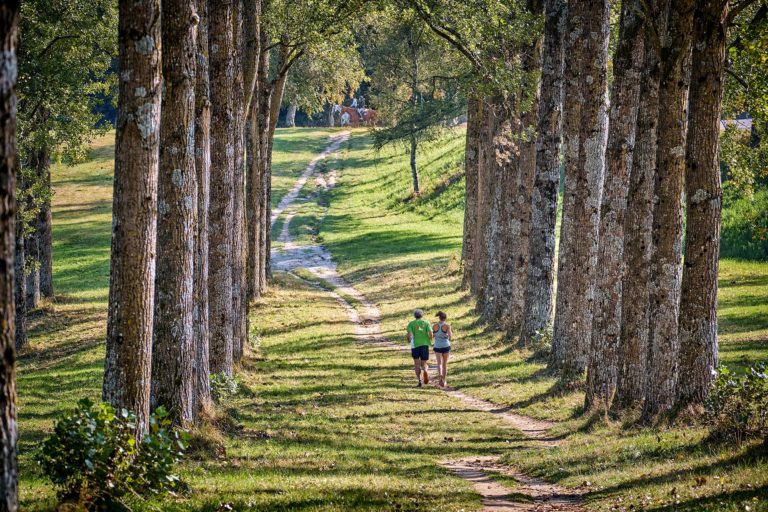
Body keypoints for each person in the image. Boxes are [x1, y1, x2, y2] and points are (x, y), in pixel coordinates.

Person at [407, 309, 433, 387]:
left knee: (416, 364)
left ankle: (419, 380)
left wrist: (409, 340)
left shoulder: (411, 324)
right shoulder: (426, 323)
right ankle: (425, 370)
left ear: (414, 316)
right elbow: (431, 333)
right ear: (422, 315)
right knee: (424, 363)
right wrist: (430, 339)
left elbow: (410, 334)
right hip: (424, 344)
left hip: (415, 345)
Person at [432, 311, 453, 388]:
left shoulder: (434, 326)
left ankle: (440, 378)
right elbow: (450, 336)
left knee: (439, 363)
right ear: (445, 318)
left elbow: (432, 335)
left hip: (437, 346)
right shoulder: (447, 326)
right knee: (445, 364)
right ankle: (444, 380)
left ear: (439, 317)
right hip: (446, 345)